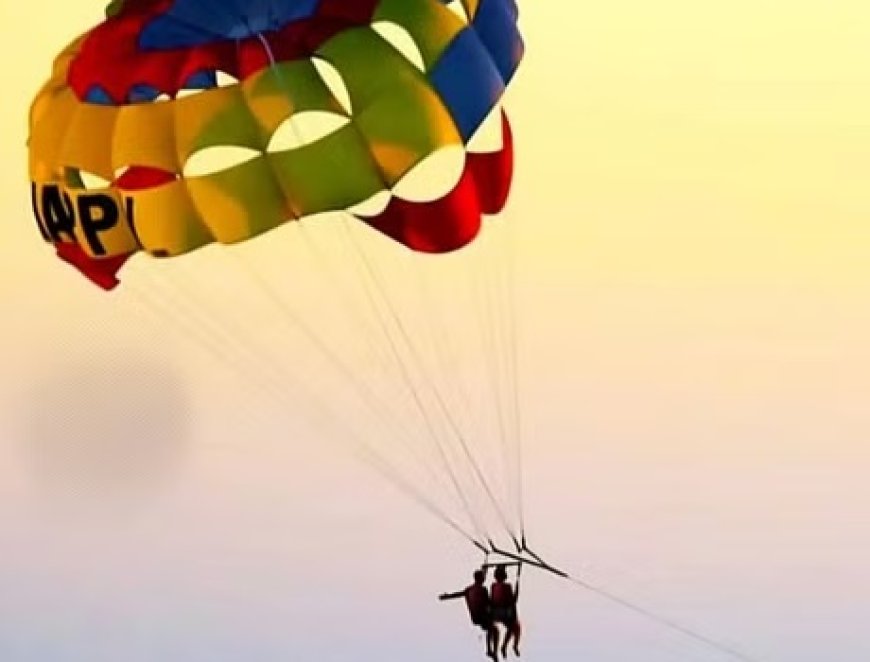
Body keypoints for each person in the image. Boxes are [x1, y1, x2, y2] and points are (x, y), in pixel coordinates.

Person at [440, 568, 500, 660]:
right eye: (483, 578)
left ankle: (490, 650)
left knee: (490, 628)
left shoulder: (468, 589)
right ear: (481, 579)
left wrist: (446, 596)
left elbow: (457, 594)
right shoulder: (483, 589)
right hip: (482, 616)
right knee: (494, 630)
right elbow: (488, 603)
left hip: (475, 618)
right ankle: (492, 651)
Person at [491, 565, 521, 657]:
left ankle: (505, 646)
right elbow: (512, 599)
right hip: (504, 613)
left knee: (511, 627)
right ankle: (513, 645)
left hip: (496, 612)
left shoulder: (493, 586)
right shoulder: (507, 586)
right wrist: (516, 589)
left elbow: (493, 598)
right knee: (516, 627)